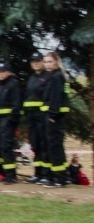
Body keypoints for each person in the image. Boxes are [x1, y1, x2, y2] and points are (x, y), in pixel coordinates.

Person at [42, 51, 70, 188]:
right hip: (57, 116)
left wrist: (52, 115)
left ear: (56, 62)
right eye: (45, 62)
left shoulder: (56, 77)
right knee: (56, 146)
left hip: (54, 117)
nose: (47, 64)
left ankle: (58, 178)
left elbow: (56, 98)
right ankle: (61, 176)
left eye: (50, 61)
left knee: (54, 147)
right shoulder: (57, 76)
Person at [21, 52, 50, 184]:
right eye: (33, 61)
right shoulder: (31, 78)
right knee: (35, 145)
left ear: (42, 62)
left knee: (44, 144)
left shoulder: (47, 77)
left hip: (41, 115)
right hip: (31, 116)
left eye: (37, 61)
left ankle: (46, 174)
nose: (35, 63)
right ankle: (37, 173)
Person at [0, 62, 21, 184]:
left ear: (9, 72)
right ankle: (5, 172)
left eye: (2, 71)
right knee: (1, 147)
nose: (0, 74)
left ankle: (11, 175)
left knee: (6, 147)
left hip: (7, 121)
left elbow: (16, 105)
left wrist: (10, 121)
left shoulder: (13, 84)